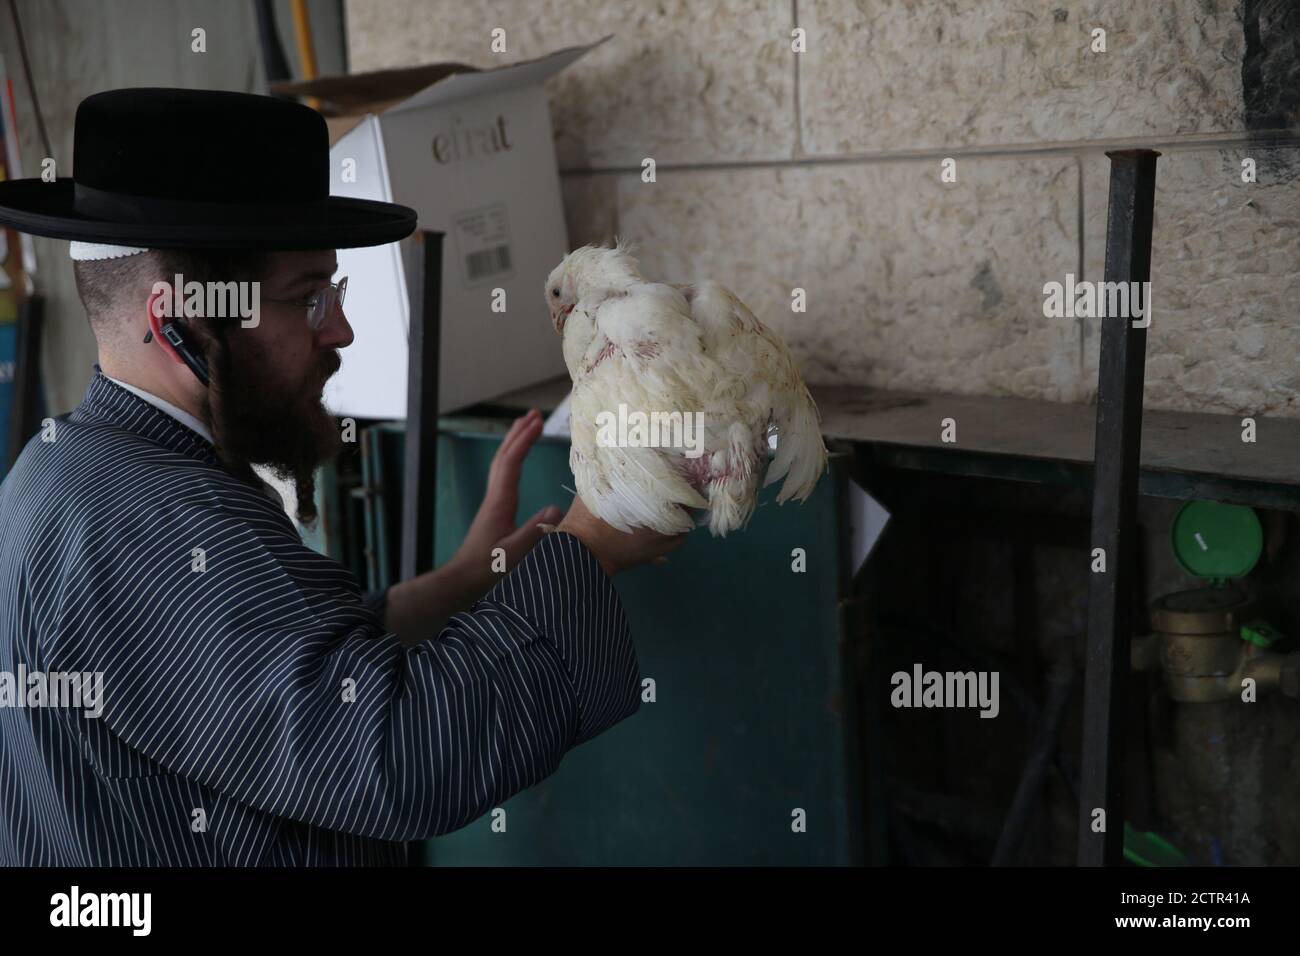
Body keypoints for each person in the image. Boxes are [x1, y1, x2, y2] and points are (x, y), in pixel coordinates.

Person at [0, 88, 682, 865]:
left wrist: (461, 582)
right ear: (177, 319)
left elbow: (283, 672)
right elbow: (399, 760)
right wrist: (592, 544)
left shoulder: (64, 465)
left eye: (336, 291)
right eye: (307, 299)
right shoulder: (147, 523)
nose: (341, 328)